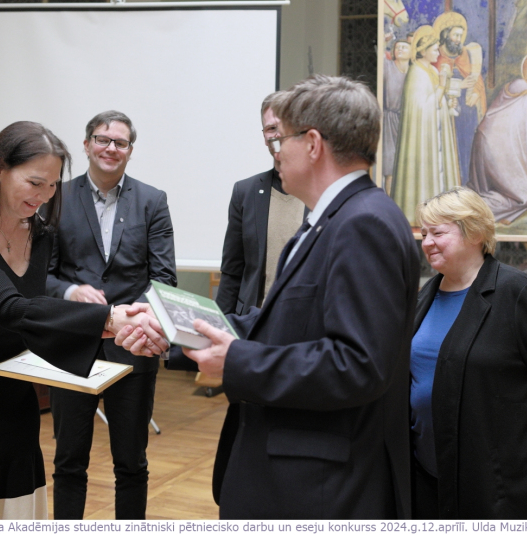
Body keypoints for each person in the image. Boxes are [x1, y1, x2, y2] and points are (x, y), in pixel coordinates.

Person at [121, 75, 421, 518]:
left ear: (313, 144)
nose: (276, 152)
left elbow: (357, 364)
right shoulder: (332, 218)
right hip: (298, 472)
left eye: (283, 139)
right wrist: (173, 330)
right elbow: (282, 325)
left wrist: (236, 363)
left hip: (320, 487)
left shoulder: (363, 223)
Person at [0, 121, 164, 520]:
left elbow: (33, 318)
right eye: (35, 182)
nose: (44, 196)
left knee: (15, 510)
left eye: (53, 185)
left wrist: (114, 329)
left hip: (11, 402)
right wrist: (109, 318)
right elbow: (10, 308)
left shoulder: (40, 235)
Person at [409, 187, 527, 519]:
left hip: (496, 483)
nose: (427, 242)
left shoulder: (518, 293)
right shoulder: (424, 296)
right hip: (427, 474)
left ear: (475, 233)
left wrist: (525, 426)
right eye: (424, 234)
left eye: (438, 233)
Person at [46, 110, 176, 520]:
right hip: (72, 345)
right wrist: (70, 291)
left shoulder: (152, 200)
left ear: (130, 151)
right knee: (69, 462)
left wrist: (135, 316)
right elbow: (40, 276)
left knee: (131, 464)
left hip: (132, 347)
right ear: (87, 145)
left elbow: (164, 279)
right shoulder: (56, 197)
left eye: (120, 142)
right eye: (102, 139)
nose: (110, 148)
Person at [216, 94, 308, 317]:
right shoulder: (245, 192)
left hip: (303, 323)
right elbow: (232, 272)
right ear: (264, 137)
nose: (277, 134)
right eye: (270, 128)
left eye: (284, 126)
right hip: (253, 322)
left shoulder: (321, 192)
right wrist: (219, 326)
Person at [468, 52, 527, 224]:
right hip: (498, 152)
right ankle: (471, 210)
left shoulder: (518, 86)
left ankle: (486, 208)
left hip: (488, 144)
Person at [391, 25, 459, 224]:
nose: (438, 53)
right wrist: (441, 87)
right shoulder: (416, 73)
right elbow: (422, 108)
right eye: (435, 49)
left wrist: (448, 104)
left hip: (433, 136)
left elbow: (436, 102)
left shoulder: (432, 70)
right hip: (421, 138)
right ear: (423, 50)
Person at [433, 12, 486, 181]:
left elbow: (476, 78)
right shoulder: (436, 56)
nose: (458, 39)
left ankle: (468, 182)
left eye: (461, 36)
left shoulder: (465, 55)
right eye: (455, 35)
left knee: (468, 145)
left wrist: (476, 92)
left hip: (467, 113)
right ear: (445, 34)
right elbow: (434, 85)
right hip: (446, 111)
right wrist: (459, 86)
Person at [382, 39, 412, 194]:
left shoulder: (414, 72)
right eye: (397, 47)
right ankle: (389, 200)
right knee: (390, 167)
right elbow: (380, 56)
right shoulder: (388, 67)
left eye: (404, 47)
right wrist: (383, 40)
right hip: (389, 120)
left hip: (408, 122)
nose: (399, 49)